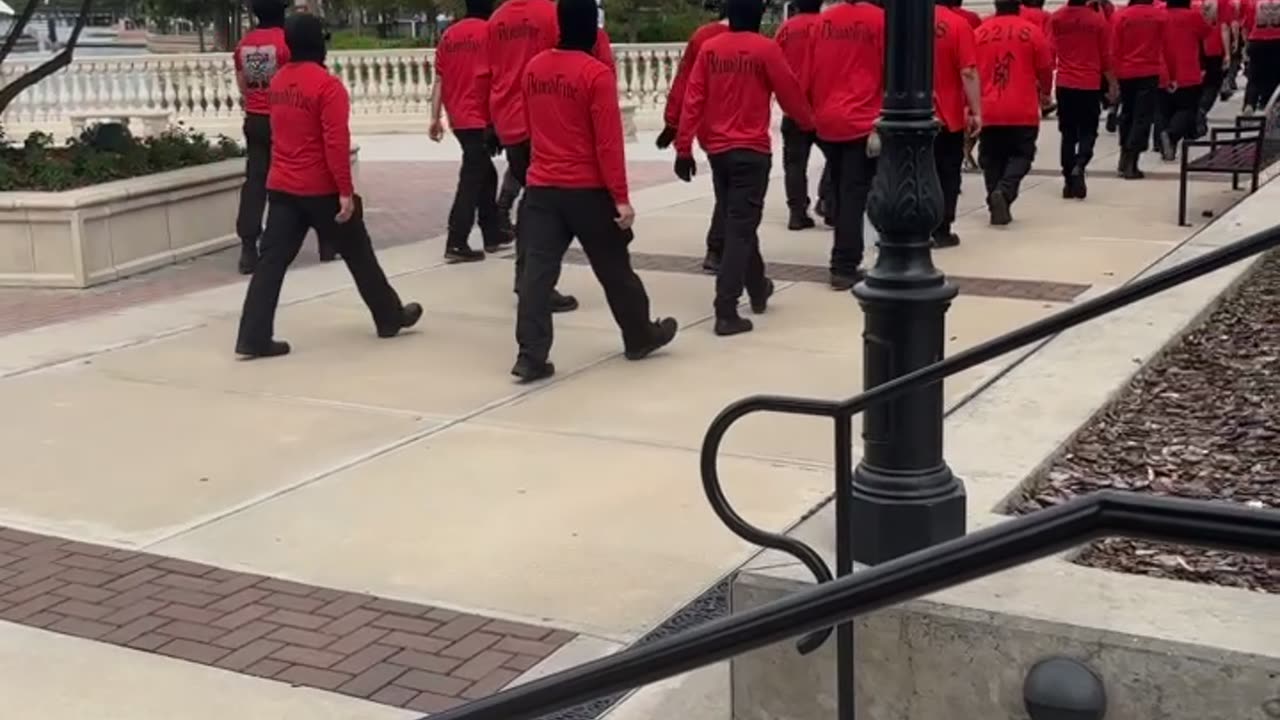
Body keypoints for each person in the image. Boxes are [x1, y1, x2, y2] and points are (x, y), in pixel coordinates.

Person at [235, 14, 422, 359]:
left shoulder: (277, 83)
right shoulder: (327, 85)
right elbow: (335, 143)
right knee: (358, 252)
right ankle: (388, 316)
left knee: (270, 263)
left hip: (282, 187)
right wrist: (345, 192)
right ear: (319, 43)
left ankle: (252, 335)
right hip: (319, 188)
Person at [514, 0, 678, 381]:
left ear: (559, 26)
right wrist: (620, 197)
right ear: (593, 28)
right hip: (586, 189)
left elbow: (530, 126)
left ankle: (531, 355)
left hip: (542, 188)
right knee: (615, 269)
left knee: (536, 275)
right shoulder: (595, 74)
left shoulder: (534, 69)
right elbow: (608, 143)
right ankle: (639, 335)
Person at [675, 0, 815, 335]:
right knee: (740, 227)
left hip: (719, 152)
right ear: (759, 17)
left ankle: (758, 286)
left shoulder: (710, 49)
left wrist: (684, 148)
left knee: (738, 220)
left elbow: (693, 98)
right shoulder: (765, 50)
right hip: (751, 151)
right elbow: (789, 93)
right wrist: (809, 123)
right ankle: (725, 309)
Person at [488, 0, 616, 314]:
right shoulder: (552, 12)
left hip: (507, 119)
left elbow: (489, 72)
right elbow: (577, 53)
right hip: (545, 114)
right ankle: (535, 282)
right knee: (548, 208)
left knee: (535, 202)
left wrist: (490, 122)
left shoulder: (497, 18)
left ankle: (529, 279)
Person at [806, 0, 885, 290]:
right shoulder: (879, 20)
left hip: (828, 118)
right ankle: (844, 264)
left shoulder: (824, 21)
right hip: (862, 119)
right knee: (855, 192)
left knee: (841, 187)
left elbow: (811, 69)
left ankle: (843, 250)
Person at [428, 0, 509, 263]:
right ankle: (457, 240)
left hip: (458, 118)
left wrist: (434, 117)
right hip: (480, 117)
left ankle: (493, 234)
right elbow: (497, 77)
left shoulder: (450, 34)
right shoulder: (490, 32)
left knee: (485, 175)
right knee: (473, 177)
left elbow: (439, 78)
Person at [656, 5, 730, 273]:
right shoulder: (755, 41)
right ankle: (718, 248)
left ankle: (722, 248)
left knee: (727, 190)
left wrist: (673, 122)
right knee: (732, 196)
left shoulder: (703, 36)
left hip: (710, 127)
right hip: (740, 130)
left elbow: (685, 81)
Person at [975, 0, 1053, 225]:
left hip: (989, 107)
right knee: (1022, 155)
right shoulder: (1032, 32)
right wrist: (1046, 94)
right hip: (1022, 108)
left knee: (991, 159)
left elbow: (969, 70)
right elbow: (1045, 68)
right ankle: (1005, 191)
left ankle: (995, 199)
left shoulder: (980, 32)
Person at [233, 0, 290, 275]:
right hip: (282, 119)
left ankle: (247, 245)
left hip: (254, 119)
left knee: (255, 181)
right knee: (293, 178)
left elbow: (242, 83)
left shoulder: (244, 44)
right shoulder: (285, 42)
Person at [1052, 0, 1117, 198]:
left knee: (1068, 133)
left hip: (1065, 82)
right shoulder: (1097, 21)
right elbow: (1105, 56)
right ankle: (1080, 164)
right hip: (1089, 83)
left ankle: (1068, 181)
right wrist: (1112, 84)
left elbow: (1051, 47)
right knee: (1088, 130)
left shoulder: (1057, 18)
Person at [933, 0, 982, 247]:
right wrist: (976, 110)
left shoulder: (906, 24)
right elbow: (968, 72)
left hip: (911, 113)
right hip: (947, 115)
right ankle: (941, 229)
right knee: (947, 174)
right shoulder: (957, 25)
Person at [774, 0, 824, 231]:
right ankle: (828, 201)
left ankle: (797, 211)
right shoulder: (828, 25)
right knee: (839, 159)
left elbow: (774, 61)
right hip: (824, 105)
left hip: (794, 106)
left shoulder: (787, 28)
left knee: (794, 164)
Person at [1112, 0, 1167, 178]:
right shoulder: (1160, 16)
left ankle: (1124, 154)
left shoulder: (1121, 15)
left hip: (1125, 71)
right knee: (1142, 117)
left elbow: (1114, 47)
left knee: (1127, 113)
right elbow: (1165, 46)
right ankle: (1132, 160)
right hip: (1149, 71)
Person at [1161, 0, 1211, 158]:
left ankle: (1166, 147)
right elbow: (1207, 31)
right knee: (1188, 108)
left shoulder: (1160, 15)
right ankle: (1171, 135)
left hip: (1163, 68)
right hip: (1187, 69)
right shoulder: (1193, 16)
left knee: (1165, 110)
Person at [1195, 0, 1235, 119]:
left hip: (1195, 47)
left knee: (1198, 82)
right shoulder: (1222, 3)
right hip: (1214, 46)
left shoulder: (1194, 3)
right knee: (1213, 83)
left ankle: (1194, 109)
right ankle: (1202, 110)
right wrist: (1227, 53)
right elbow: (1224, 28)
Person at [1240, 0, 1280, 112]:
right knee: (1276, 75)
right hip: (1278, 41)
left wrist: (1246, 45)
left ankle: (1250, 103)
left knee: (1254, 76)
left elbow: (1246, 26)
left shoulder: (1253, 3)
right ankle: (1271, 104)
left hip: (1257, 41)